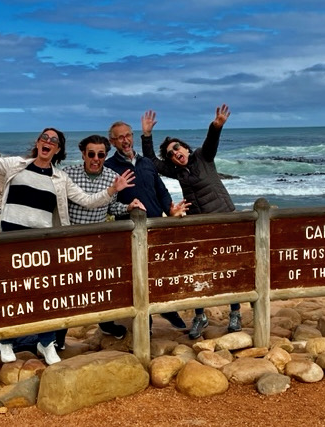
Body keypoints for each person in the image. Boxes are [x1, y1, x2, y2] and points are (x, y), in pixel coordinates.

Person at [0, 107, 136, 364]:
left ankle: (46, 342)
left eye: (54, 141)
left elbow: (87, 200)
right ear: (38, 143)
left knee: (47, 293)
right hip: (9, 239)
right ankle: (6, 340)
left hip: (41, 241)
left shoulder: (60, 178)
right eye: (45, 138)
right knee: (12, 291)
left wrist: (111, 190)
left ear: (58, 150)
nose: (48, 142)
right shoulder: (15, 165)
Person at [140, 104, 242, 339]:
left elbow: (211, 141)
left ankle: (235, 312)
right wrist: (146, 135)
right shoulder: (177, 171)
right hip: (198, 223)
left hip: (224, 219)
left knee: (230, 266)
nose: (175, 153)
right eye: (171, 153)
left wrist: (216, 126)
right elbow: (152, 163)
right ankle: (200, 316)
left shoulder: (203, 157)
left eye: (177, 148)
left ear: (185, 147)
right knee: (199, 270)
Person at [57, 134, 145, 345]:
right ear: (83, 154)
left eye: (101, 154)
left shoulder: (112, 177)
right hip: (72, 240)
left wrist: (128, 207)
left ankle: (105, 323)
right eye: (91, 154)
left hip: (98, 241)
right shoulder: (68, 174)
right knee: (69, 289)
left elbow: (111, 208)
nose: (96, 158)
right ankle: (58, 336)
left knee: (101, 285)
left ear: (106, 155)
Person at [105, 119, 190, 331]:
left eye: (128, 135)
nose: (125, 140)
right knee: (136, 276)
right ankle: (145, 322)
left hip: (155, 225)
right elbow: (108, 202)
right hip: (128, 230)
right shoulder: (109, 167)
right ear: (113, 141)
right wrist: (127, 206)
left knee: (158, 272)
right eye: (120, 137)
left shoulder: (146, 163)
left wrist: (170, 210)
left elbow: (160, 190)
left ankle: (167, 309)